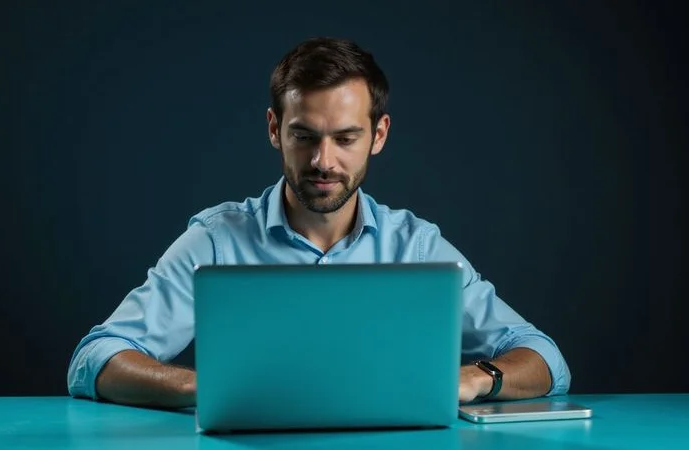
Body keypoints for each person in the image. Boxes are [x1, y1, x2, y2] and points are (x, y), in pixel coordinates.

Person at [67, 36, 571, 410]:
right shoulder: (217, 241)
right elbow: (95, 358)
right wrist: (208, 388)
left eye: (346, 138)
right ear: (274, 130)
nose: (323, 161)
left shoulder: (416, 246)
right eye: (304, 136)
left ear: (379, 135)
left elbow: (545, 358)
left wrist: (476, 377)